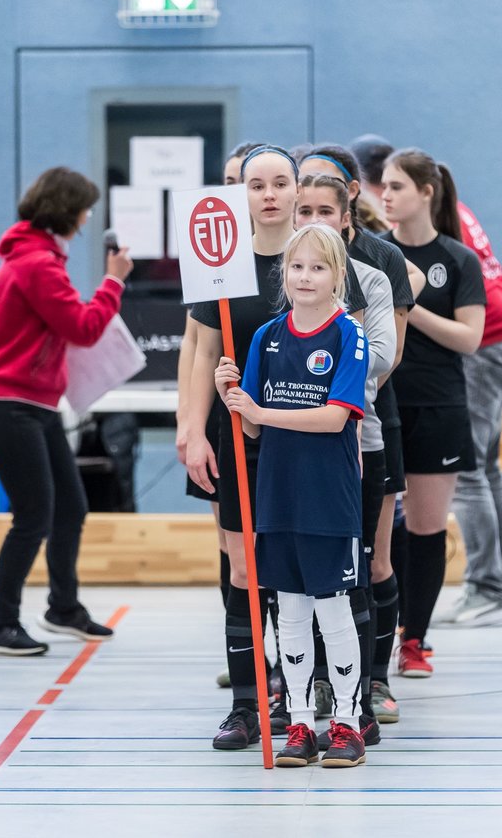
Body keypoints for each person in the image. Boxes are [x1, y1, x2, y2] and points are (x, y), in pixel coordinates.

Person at [213, 223, 370, 768]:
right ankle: (300, 722)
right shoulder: (266, 337)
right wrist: (230, 396)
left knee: (334, 611)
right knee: (291, 613)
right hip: (277, 496)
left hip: (328, 498)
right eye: (296, 267)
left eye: (318, 267)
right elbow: (251, 428)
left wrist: (259, 412)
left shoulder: (349, 334)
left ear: (337, 276)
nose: (305, 277)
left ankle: (347, 723)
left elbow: (332, 419)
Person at [0, 167, 132, 655]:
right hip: (12, 406)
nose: (88, 218)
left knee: (70, 506)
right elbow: (83, 328)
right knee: (33, 516)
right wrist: (113, 283)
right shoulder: (37, 264)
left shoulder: (36, 257)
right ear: (69, 211)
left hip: (33, 404)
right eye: (85, 208)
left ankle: (63, 607)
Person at [298, 144, 418, 722]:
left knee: (370, 562)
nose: (315, 222)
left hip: (368, 426)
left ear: (348, 207)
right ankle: (316, 679)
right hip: (300, 435)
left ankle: (373, 680)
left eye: (326, 210)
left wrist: (322, 373)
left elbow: (383, 356)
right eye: (305, 211)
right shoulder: (289, 272)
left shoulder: (377, 267)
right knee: (312, 564)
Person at [186, 145, 300, 750]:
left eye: (281, 182)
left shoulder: (316, 257)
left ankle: (298, 689)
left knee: (292, 568)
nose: (270, 195)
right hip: (237, 437)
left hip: (301, 440)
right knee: (242, 568)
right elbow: (205, 352)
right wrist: (197, 428)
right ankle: (245, 704)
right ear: (243, 194)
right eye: (258, 185)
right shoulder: (221, 263)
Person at [380, 149, 486, 677]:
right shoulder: (375, 253)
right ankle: (380, 631)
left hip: (439, 405)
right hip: (383, 401)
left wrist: (408, 304)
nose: (386, 195)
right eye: (383, 186)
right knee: (380, 525)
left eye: (397, 186)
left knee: (426, 526)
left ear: (426, 192)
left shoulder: (458, 260)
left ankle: (414, 639)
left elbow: (470, 337)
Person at [441, 180, 502, 626]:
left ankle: (486, 588)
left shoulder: (434, 215)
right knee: (487, 464)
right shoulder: (451, 204)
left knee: (466, 466)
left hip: (490, 339)